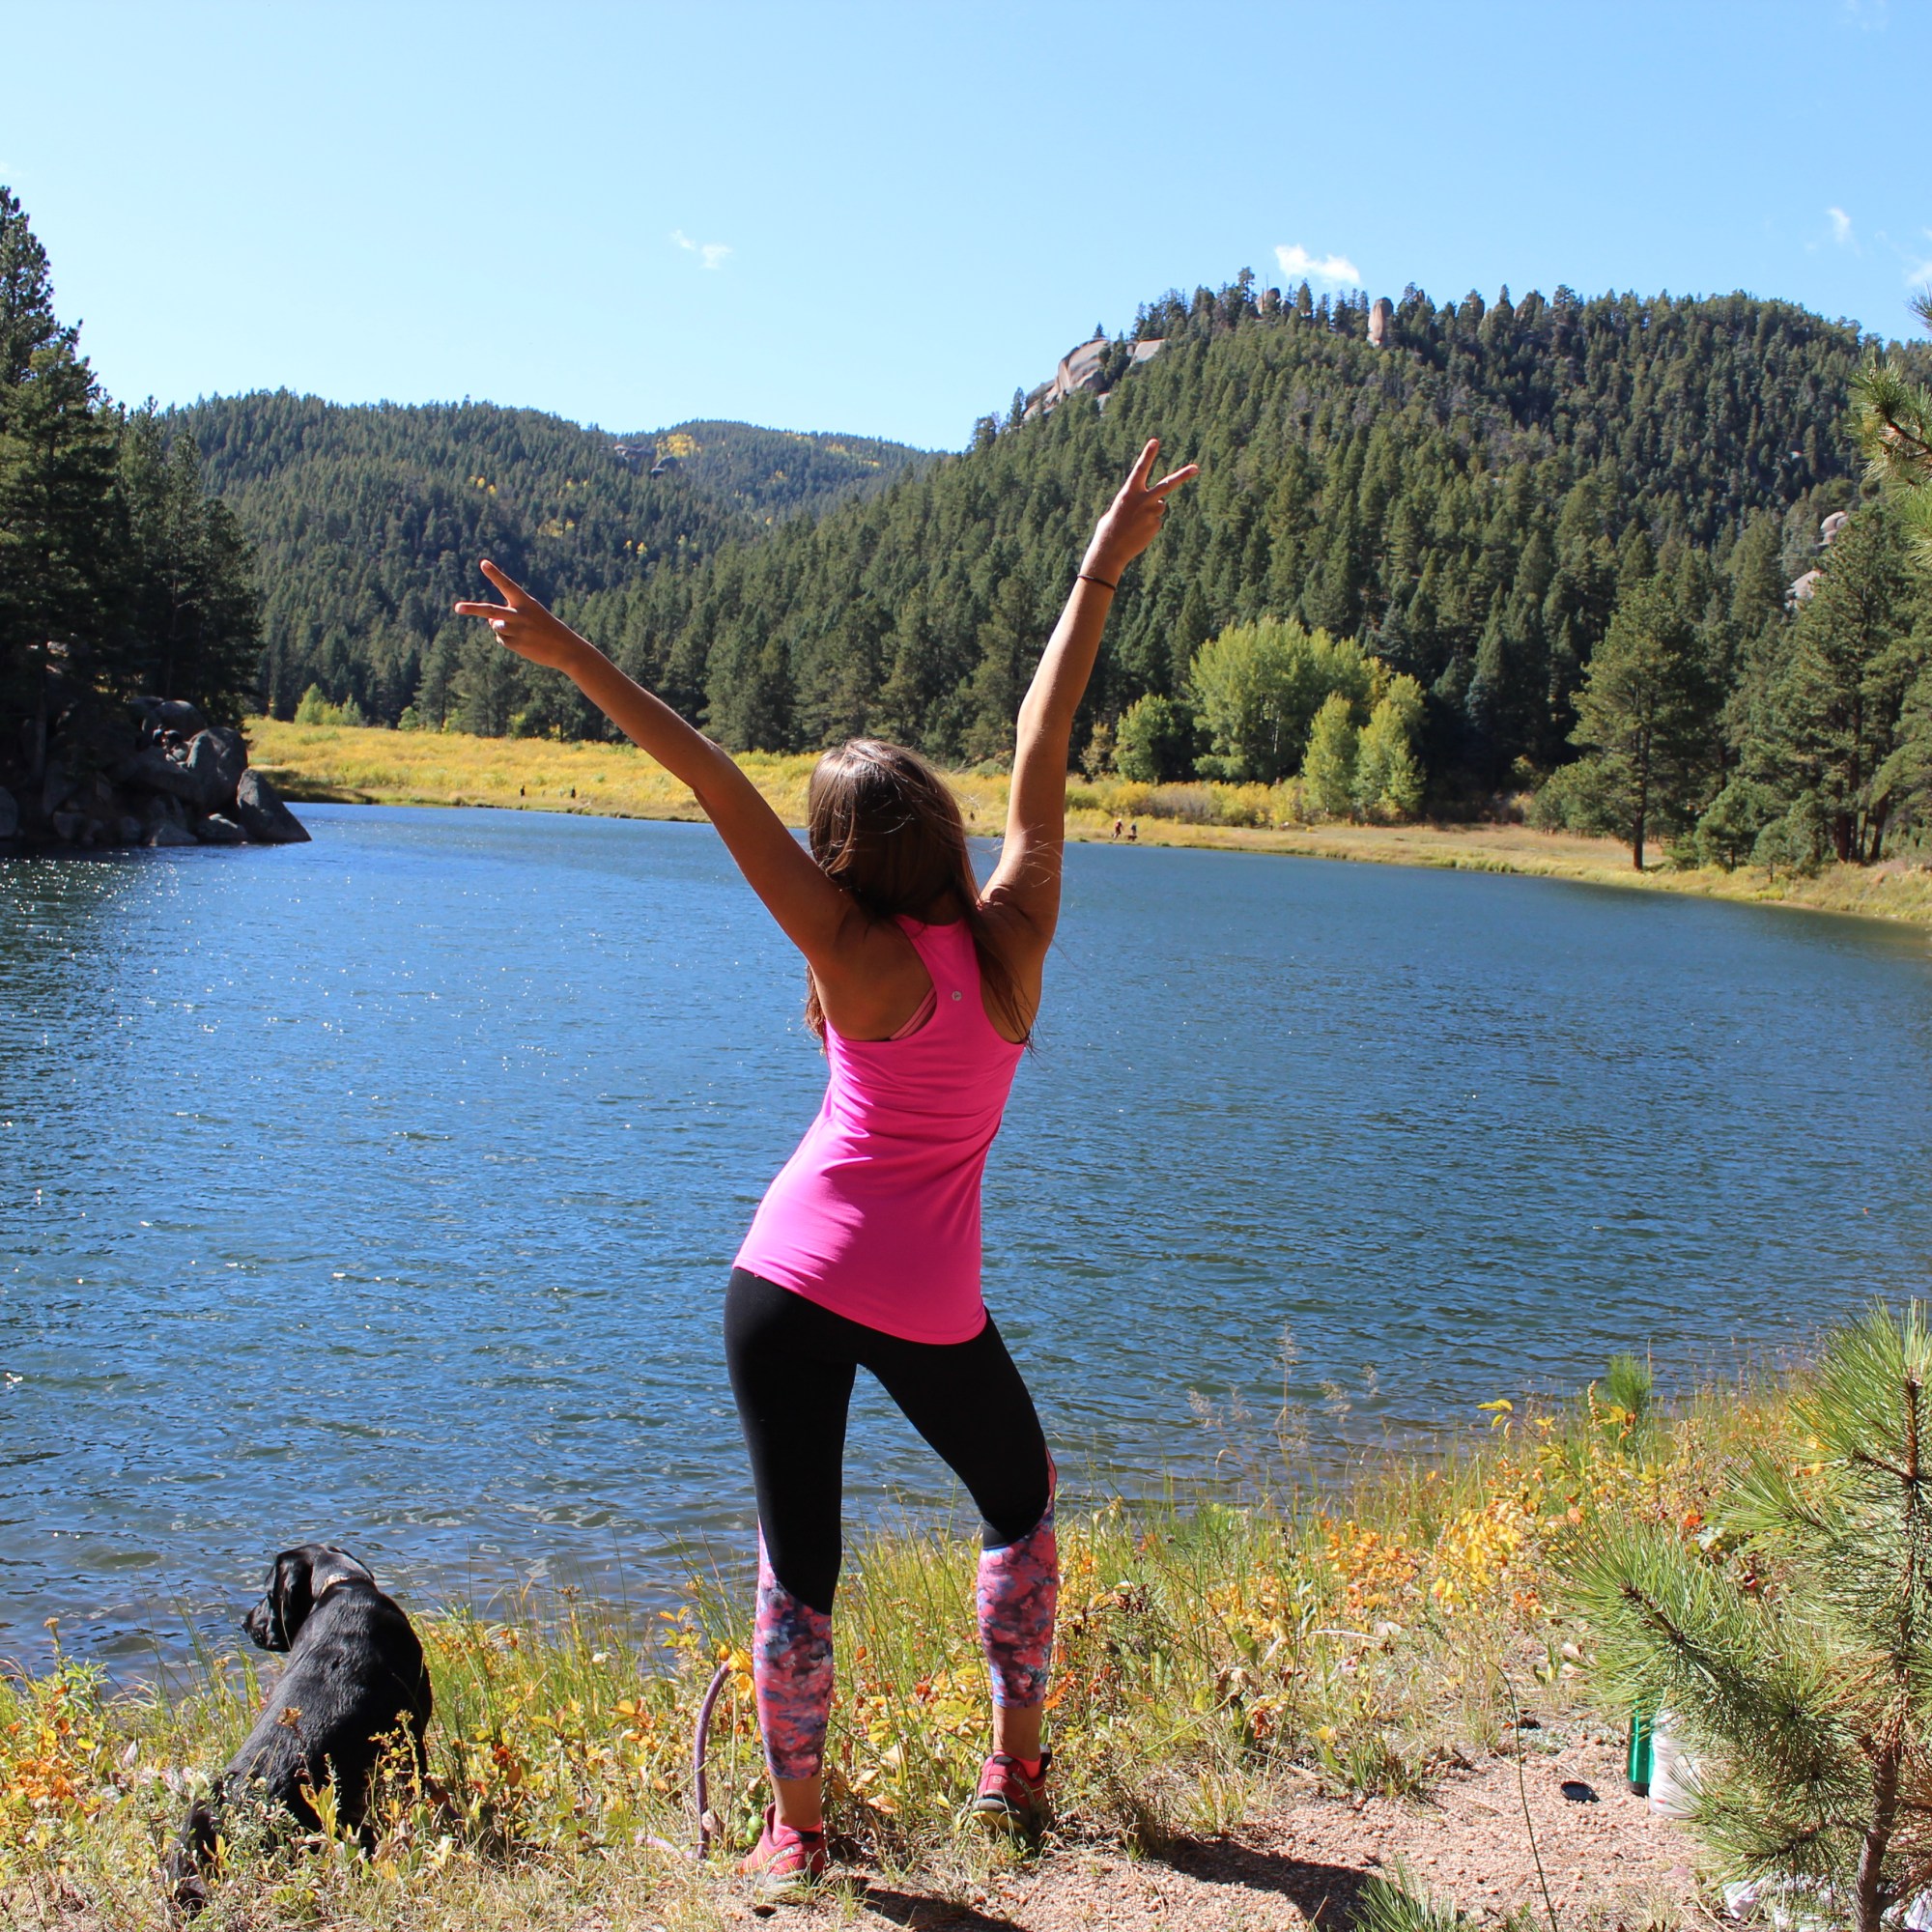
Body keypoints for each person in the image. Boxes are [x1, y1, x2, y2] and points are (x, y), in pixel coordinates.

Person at [455, 439, 1196, 1893]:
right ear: (943, 833)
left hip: (783, 1284)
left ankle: (798, 1832)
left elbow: (709, 776)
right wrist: (1100, 566)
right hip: (925, 1300)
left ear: (843, 856)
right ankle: (1016, 1769)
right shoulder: (1017, 939)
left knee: (800, 1567)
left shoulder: (850, 954)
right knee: (1022, 1505)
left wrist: (570, 654)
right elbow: (1045, 729)